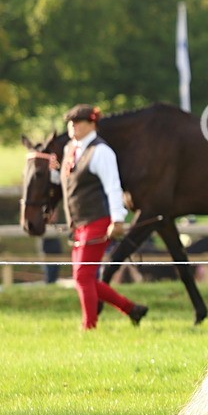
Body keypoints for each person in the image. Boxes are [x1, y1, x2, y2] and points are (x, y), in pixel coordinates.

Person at [55, 104, 147, 329]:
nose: (73, 126)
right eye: (71, 122)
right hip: (80, 222)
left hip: (98, 220)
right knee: (85, 277)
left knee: (82, 277)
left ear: (92, 124)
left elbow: (112, 187)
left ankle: (89, 326)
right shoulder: (70, 149)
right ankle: (132, 309)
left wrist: (117, 220)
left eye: (78, 122)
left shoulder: (101, 151)